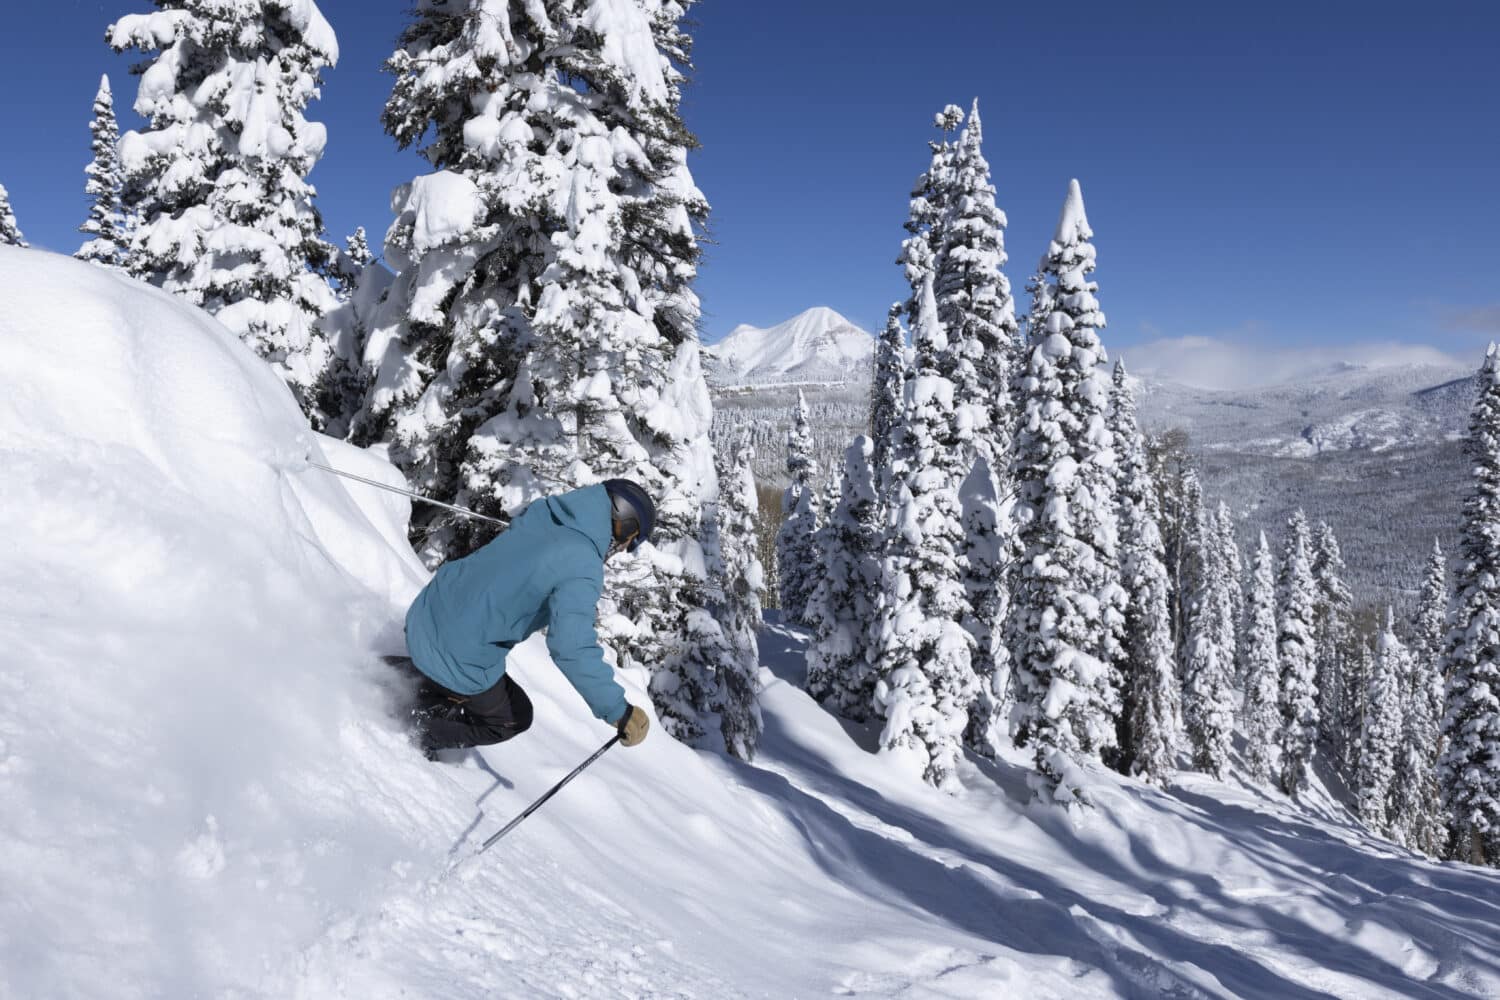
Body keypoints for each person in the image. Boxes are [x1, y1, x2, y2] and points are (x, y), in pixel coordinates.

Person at [389, 479, 654, 757]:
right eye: (627, 542)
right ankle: (415, 731)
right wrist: (618, 711)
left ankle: (385, 676)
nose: (620, 549)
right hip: (459, 649)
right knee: (511, 717)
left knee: (463, 667)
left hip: (427, 612)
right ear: (624, 522)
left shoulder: (547, 514)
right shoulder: (583, 564)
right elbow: (571, 647)